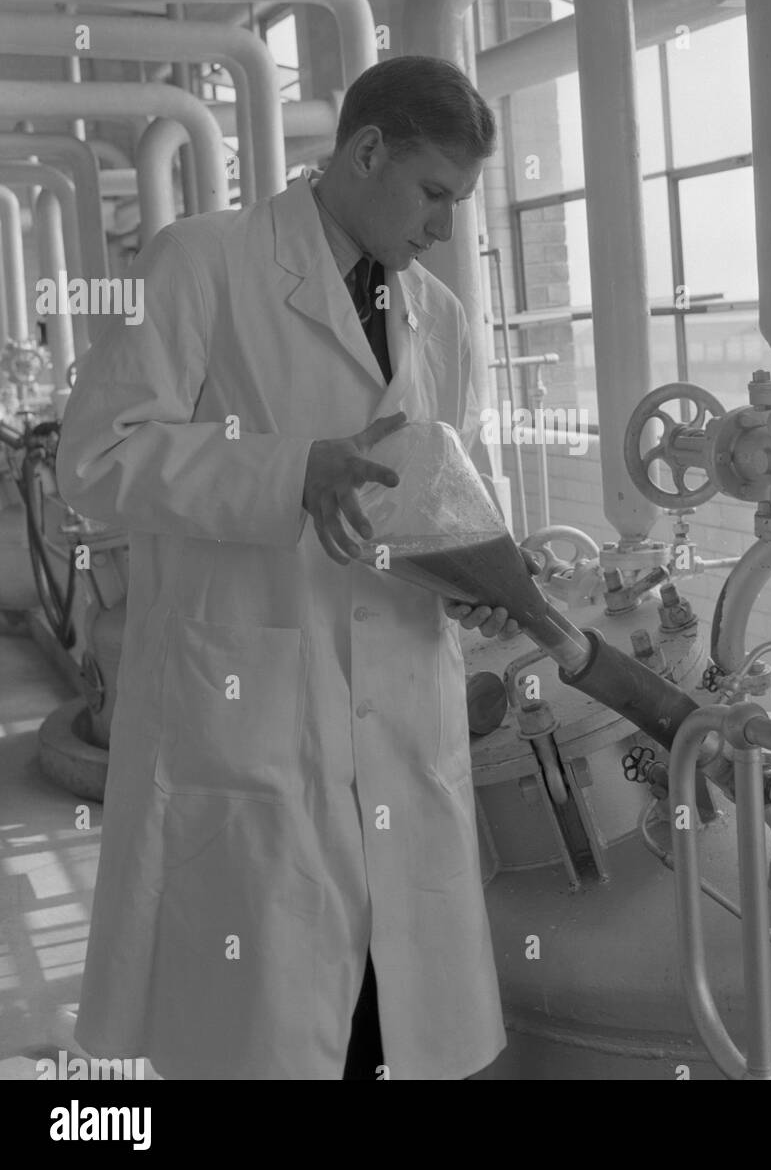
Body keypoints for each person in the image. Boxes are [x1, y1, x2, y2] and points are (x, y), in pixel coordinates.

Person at [56, 55, 521, 1081]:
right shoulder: (206, 262)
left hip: (399, 712)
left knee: (384, 1027)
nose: (442, 225)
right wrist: (285, 474)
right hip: (251, 715)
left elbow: (448, 485)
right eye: (433, 192)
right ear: (365, 152)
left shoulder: (435, 315)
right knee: (262, 1028)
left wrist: (479, 575)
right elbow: (95, 459)